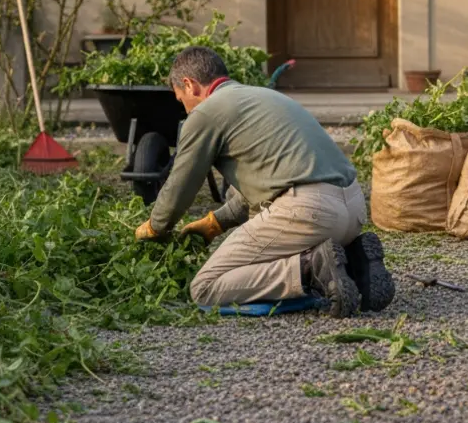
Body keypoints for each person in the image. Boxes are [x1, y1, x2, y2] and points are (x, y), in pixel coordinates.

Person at [133, 46, 394, 318]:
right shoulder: (264, 97)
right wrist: (216, 223)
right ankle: (353, 263)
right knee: (277, 248)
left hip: (310, 213)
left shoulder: (205, 113)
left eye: (181, 99)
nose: (185, 109)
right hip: (353, 209)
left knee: (205, 287)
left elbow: (181, 185)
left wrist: (155, 227)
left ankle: (312, 269)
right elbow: (266, 183)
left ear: (189, 84)